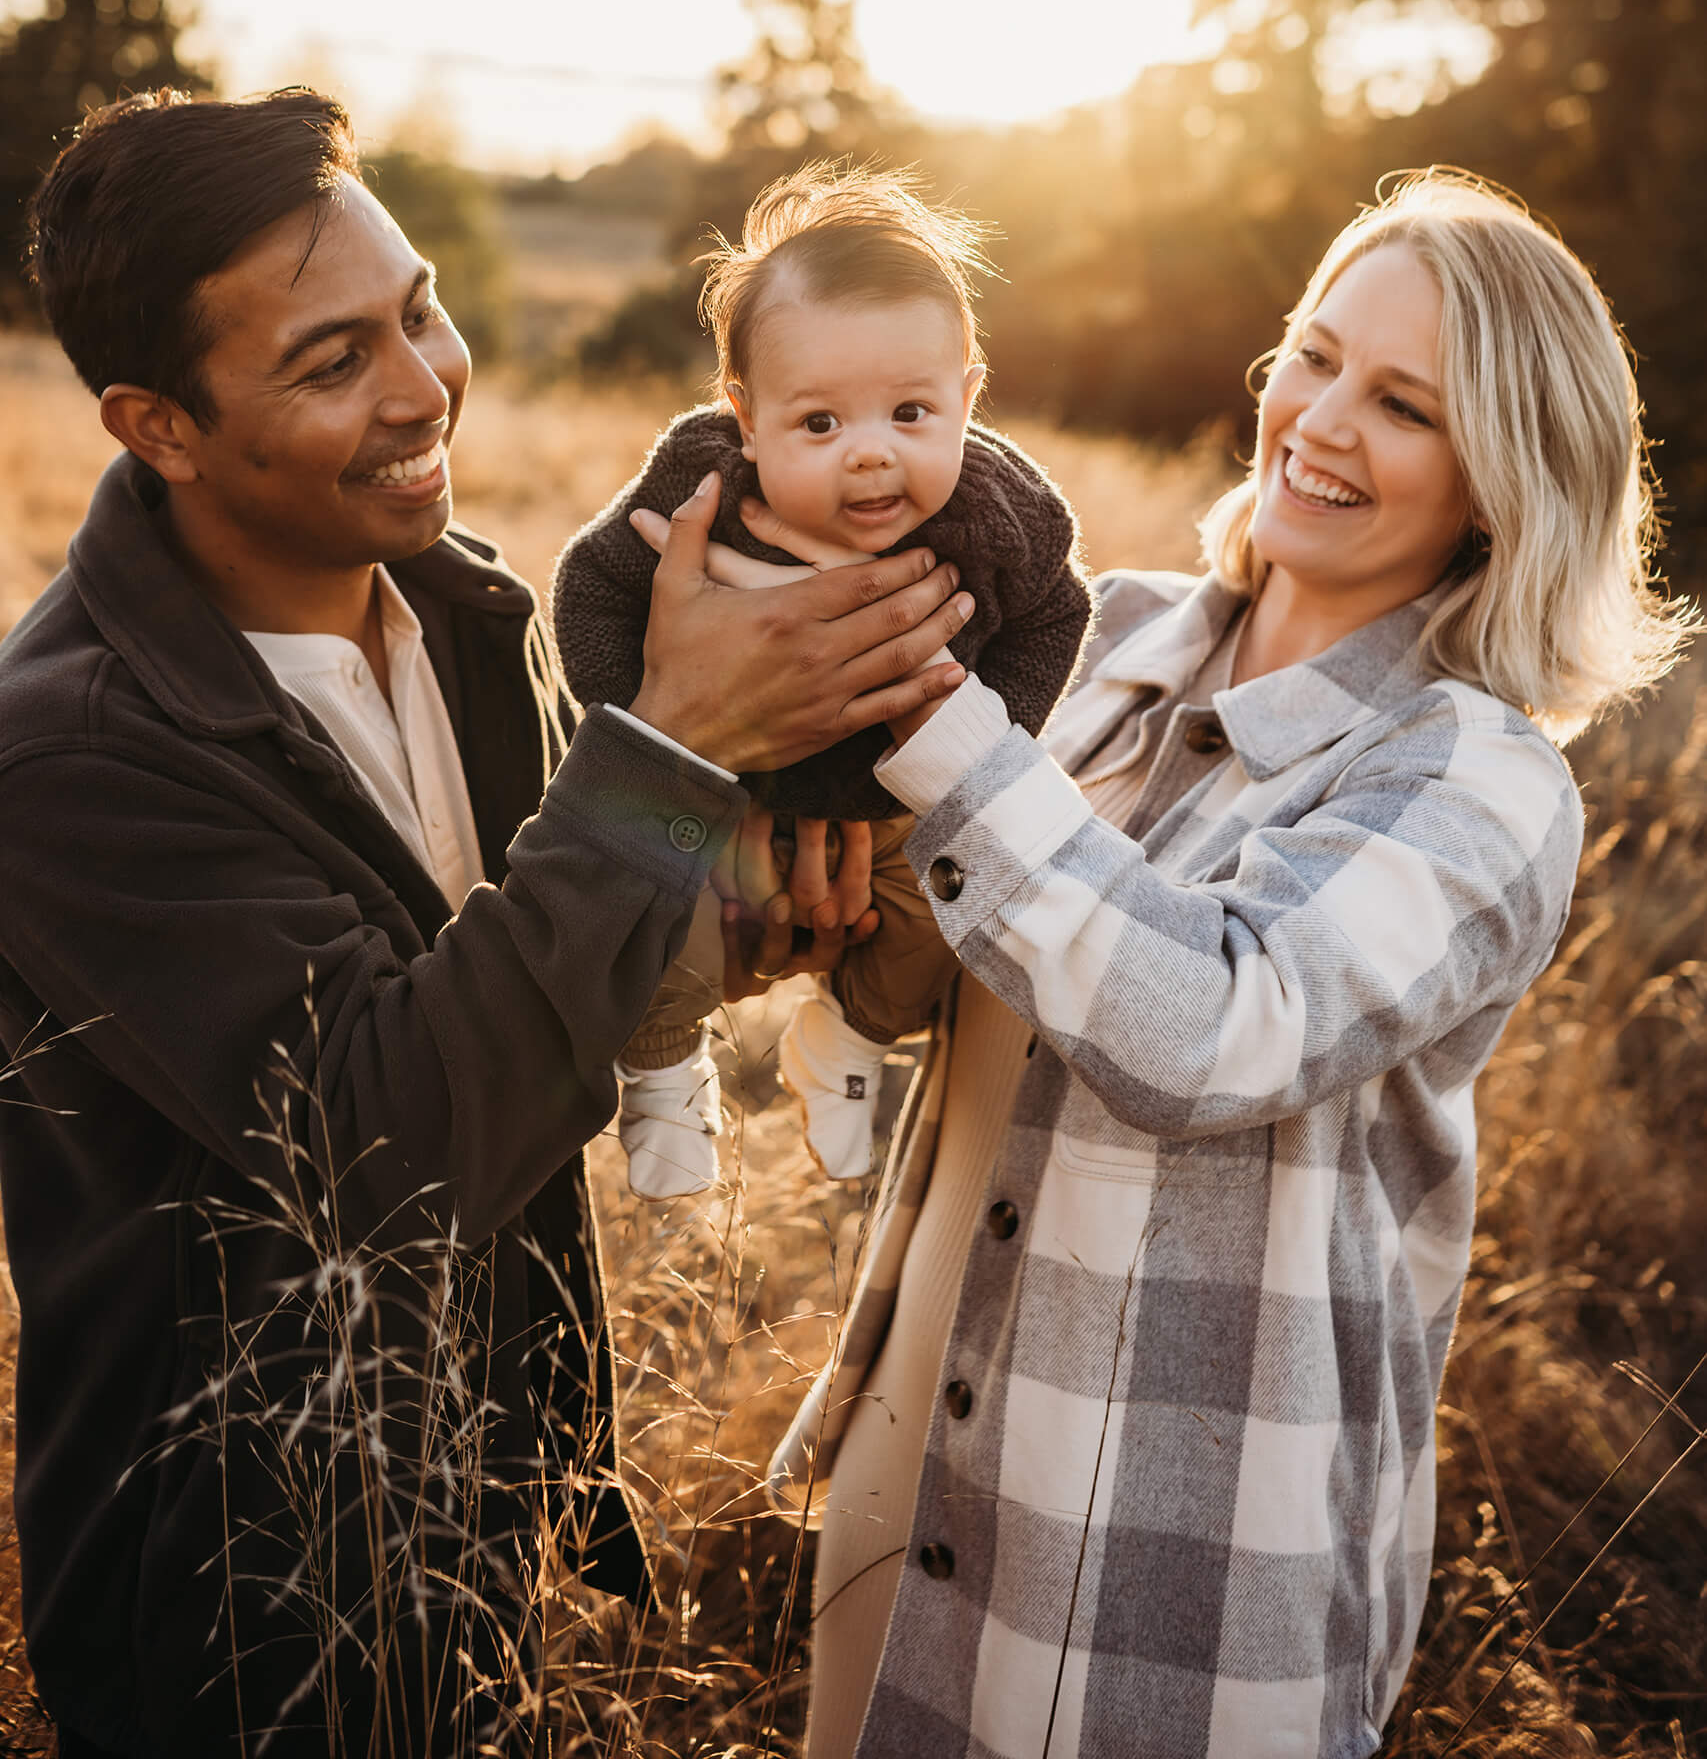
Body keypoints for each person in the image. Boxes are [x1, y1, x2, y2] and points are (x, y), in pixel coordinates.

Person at [0, 89, 972, 1759]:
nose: (421, 387)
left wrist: (753, 917)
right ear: (159, 427)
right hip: (242, 1590)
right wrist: (671, 747)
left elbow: (516, 968)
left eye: (420, 309)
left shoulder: (459, 609)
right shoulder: (72, 753)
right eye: (330, 363)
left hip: (476, 1489)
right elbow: (386, 1140)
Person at [769, 171, 1693, 1759]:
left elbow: (1212, 1029)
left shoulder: (1474, 778)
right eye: (1311, 355)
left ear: (1500, 483)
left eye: (1401, 403)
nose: (1318, 420)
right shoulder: (1097, 640)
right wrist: (840, 938)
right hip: (918, 1436)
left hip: (1163, 1559)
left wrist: (935, 732)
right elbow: (960, 988)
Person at [554, 164, 1092, 1192]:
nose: (871, 456)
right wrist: (663, 738)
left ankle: (850, 1038)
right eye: (819, 424)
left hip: (885, 803)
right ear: (745, 417)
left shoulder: (1000, 513)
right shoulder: (699, 490)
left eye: (910, 411)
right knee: (631, 896)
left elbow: (1058, 612)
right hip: (706, 784)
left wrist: (977, 741)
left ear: (967, 400)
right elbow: (588, 589)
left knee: (962, 908)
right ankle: (662, 1070)